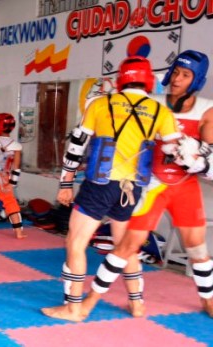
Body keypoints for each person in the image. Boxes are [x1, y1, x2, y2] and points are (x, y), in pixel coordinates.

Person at [42, 56, 180, 322]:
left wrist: (66, 183)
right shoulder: (161, 111)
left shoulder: (100, 103)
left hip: (100, 184)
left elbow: (76, 146)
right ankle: (137, 304)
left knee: (75, 242)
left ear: (120, 80)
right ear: (148, 81)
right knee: (125, 246)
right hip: (133, 189)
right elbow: (176, 154)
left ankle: (73, 308)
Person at [80, 50, 213, 319]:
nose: (177, 79)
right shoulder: (150, 103)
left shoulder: (207, 111)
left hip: (185, 187)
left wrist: (197, 160)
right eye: (175, 72)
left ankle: (208, 300)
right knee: (127, 246)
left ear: (197, 79)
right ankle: (90, 301)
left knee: (198, 249)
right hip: (151, 185)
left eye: (185, 75)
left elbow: (210, 161)